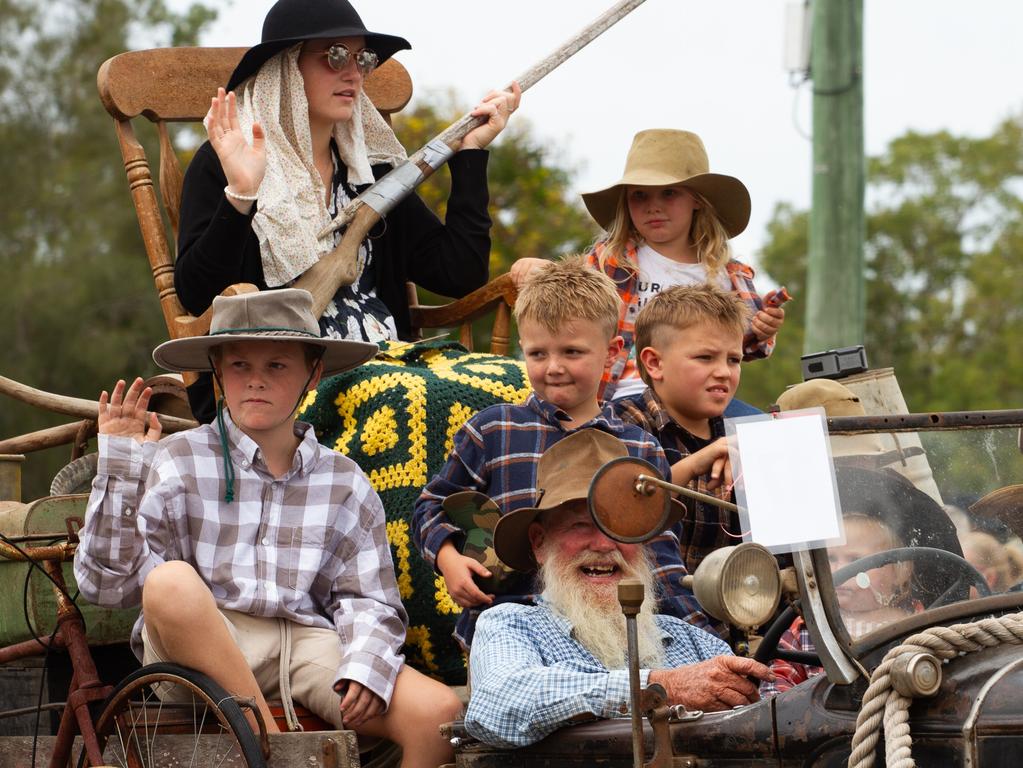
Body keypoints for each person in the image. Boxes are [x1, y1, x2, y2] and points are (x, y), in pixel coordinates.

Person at [73, 289, 462, 768]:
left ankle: (272, 744)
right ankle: (269, 745)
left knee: (438, 713)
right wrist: (121, 467)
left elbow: (368, 599)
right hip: (202, 646)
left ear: (312, 373)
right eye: (239, 366)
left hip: (302, 645)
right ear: (218, 372)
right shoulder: (180, 458)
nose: (255, 381)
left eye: (277, 366)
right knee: (169, 581)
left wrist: (365, 665)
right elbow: (106, 585)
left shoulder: (343, 480)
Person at [174, 0, 521, 422]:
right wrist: (241, 196)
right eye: (335, 55)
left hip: (392, 366)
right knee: (410, 397)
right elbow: (196, 295)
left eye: (363, 58)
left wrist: (470, 155)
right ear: (286, 68)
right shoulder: (225, 162)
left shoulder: (369, 172)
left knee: (515, 384)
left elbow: (459, 273)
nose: (353, 72)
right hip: (282, 383)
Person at [411, 259, 710, 649]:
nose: (553, 368)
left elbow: (661, 557)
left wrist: (700, 638)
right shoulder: (493, 430)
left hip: (611, 635)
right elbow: (430, 506)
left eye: (572, 352)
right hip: (511, 631)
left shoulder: (639, 448)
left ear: (611, 352)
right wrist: (448, 559)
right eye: (537, 354)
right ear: (522, 350)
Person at [463, 430, 774, 748]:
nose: (603, 544)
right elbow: (498, 703)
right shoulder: (511, 625)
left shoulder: (690, 641)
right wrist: (657, 686)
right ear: (539, 542)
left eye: (621, 525)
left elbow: (773, 713)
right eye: (581, 525)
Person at [512, 128, 785, 406]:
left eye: (668, 193)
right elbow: (572, 299)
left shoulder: (729, 274)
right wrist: (546, 272)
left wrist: (762, 330)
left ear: (697, 200)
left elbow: (743, 347)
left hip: (698, 398)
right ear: (626, 201)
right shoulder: (610, 261)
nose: (653, 206)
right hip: (622, 395)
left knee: (762, 433)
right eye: (640, 195)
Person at [611, 284, 749, 592]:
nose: (724, 372)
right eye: (705, 357)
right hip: (652, 607)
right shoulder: (626, 424)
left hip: (739, 604)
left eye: (733, 360)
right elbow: (620, 509)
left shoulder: (740, 435)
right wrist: (697, 462)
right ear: (654, 363)